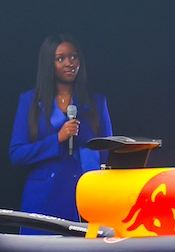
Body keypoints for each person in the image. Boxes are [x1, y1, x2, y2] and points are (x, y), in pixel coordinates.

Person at [9, 34, 113, 221]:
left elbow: (107, 154)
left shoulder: (97, 102)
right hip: (43, 199)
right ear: (49, 64)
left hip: (85, 195)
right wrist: (57, 139)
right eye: (60, 58)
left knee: (83, 249)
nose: (69, 63)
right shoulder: (29, 101)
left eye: (73, 57)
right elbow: (17, 154)